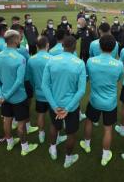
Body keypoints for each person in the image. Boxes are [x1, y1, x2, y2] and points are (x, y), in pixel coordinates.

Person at [42, 36, 86, 168]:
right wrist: (67, 108)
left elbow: (45, 86)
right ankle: (67, 158)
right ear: (74, 47)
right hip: (70, 106)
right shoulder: (79, 63)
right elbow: (81, 90)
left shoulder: (52, 60)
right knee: (70, 133)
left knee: (55, 126)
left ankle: (53, 149)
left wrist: (55, 106)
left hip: (56, 104)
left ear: (63, 46)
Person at [79, 34, 124, 166]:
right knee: (108, 128)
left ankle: (87, 145)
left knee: (89, 121)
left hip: (94, 100)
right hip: (110, 102)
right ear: (114, 47)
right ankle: (105, 155)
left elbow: (88, 76)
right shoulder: (118, 64)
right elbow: (118, 79)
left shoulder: (91, 61)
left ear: (99, 46)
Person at [0, 29, 38, 155]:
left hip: (5, 97)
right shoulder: (20, 58)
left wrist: (0, 94)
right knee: (21, 124)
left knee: (7, 120)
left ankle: (10, 143)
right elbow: (18, 82)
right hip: (18, 97)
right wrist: (5, 95)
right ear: (16, 40)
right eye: (20, 38)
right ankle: (25, 147)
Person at [27, 36, 67, 144]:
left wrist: (35, 86)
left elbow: (29, 78)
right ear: (47, 45)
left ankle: (41, 134)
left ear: (36, 46)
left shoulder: (31, 59)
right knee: (56, 116)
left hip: (39, 93)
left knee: (41, 114)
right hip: (52, 94)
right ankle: (56, 137)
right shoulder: (52, 59)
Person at [10, 24, 38, 134]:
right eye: (20, 33)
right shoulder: (21, 49)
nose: (22, 35)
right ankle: (27, 124)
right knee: (26, 102)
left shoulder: (6, 46)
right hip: (24, 79)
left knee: (13, 101)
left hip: (11, 79)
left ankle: (13, 121)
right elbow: (30, 62)